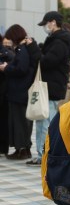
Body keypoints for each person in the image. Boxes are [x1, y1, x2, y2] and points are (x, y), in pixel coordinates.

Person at [27, 11, 70, 165]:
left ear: (53, 22)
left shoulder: (59, 42)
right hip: (52, 86)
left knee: (45, 122)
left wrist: (33, 48)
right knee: (47, 121)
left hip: (51, 87)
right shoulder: (57, 40)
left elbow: (47, 62)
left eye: (46, 23)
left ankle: (45, 155)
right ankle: (45, 153)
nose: (45, 27)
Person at [0, 25, 40, 160]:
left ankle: (22, 150)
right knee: (21, 122)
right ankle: (22, 149)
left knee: (20, 123)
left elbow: (21, 69)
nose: (9, 41)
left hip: (19, 91)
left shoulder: (22, 50)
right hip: (21, 91)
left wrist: (7, 68)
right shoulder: (24, 49)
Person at [0, 34, 15, 156]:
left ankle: (3, 147)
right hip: (5, 92)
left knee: (4, 121)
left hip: (4, 93)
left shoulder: (5, 53)